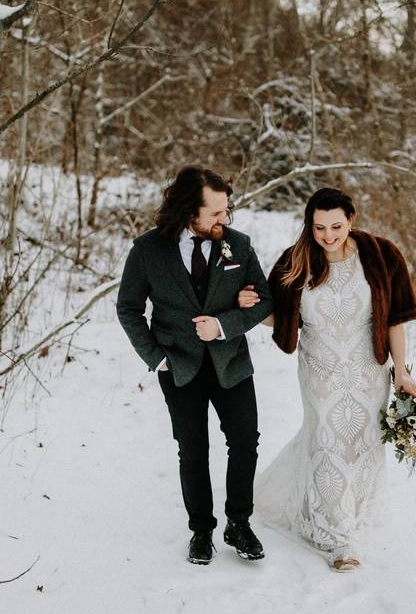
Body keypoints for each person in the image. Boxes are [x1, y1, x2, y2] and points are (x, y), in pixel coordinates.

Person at [238, 187, 416, 572]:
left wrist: (401, 370)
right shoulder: (296, 260)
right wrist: (252, 307)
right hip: (320, 370)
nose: (328, 235)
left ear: (351, 219)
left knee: (363, 443)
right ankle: (337, 538)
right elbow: (281, 317)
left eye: (336, 225)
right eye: (319, 227)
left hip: (369, 370)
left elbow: (396, 319)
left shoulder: (381, 254)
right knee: (326, 442)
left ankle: (351, 517)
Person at [116, 166, 273, 566]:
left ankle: (239, 523)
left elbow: (266, 301)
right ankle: (201, 530)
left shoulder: (237, 245)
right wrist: (157, 358)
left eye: (227, 210)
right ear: (189, 212)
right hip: (179, 367)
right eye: (216, 213)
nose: (225, 219)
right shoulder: (148, 251)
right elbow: (129, 309)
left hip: (231, 363)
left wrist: (224, 324)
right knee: (193, 449)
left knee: (244, 441)